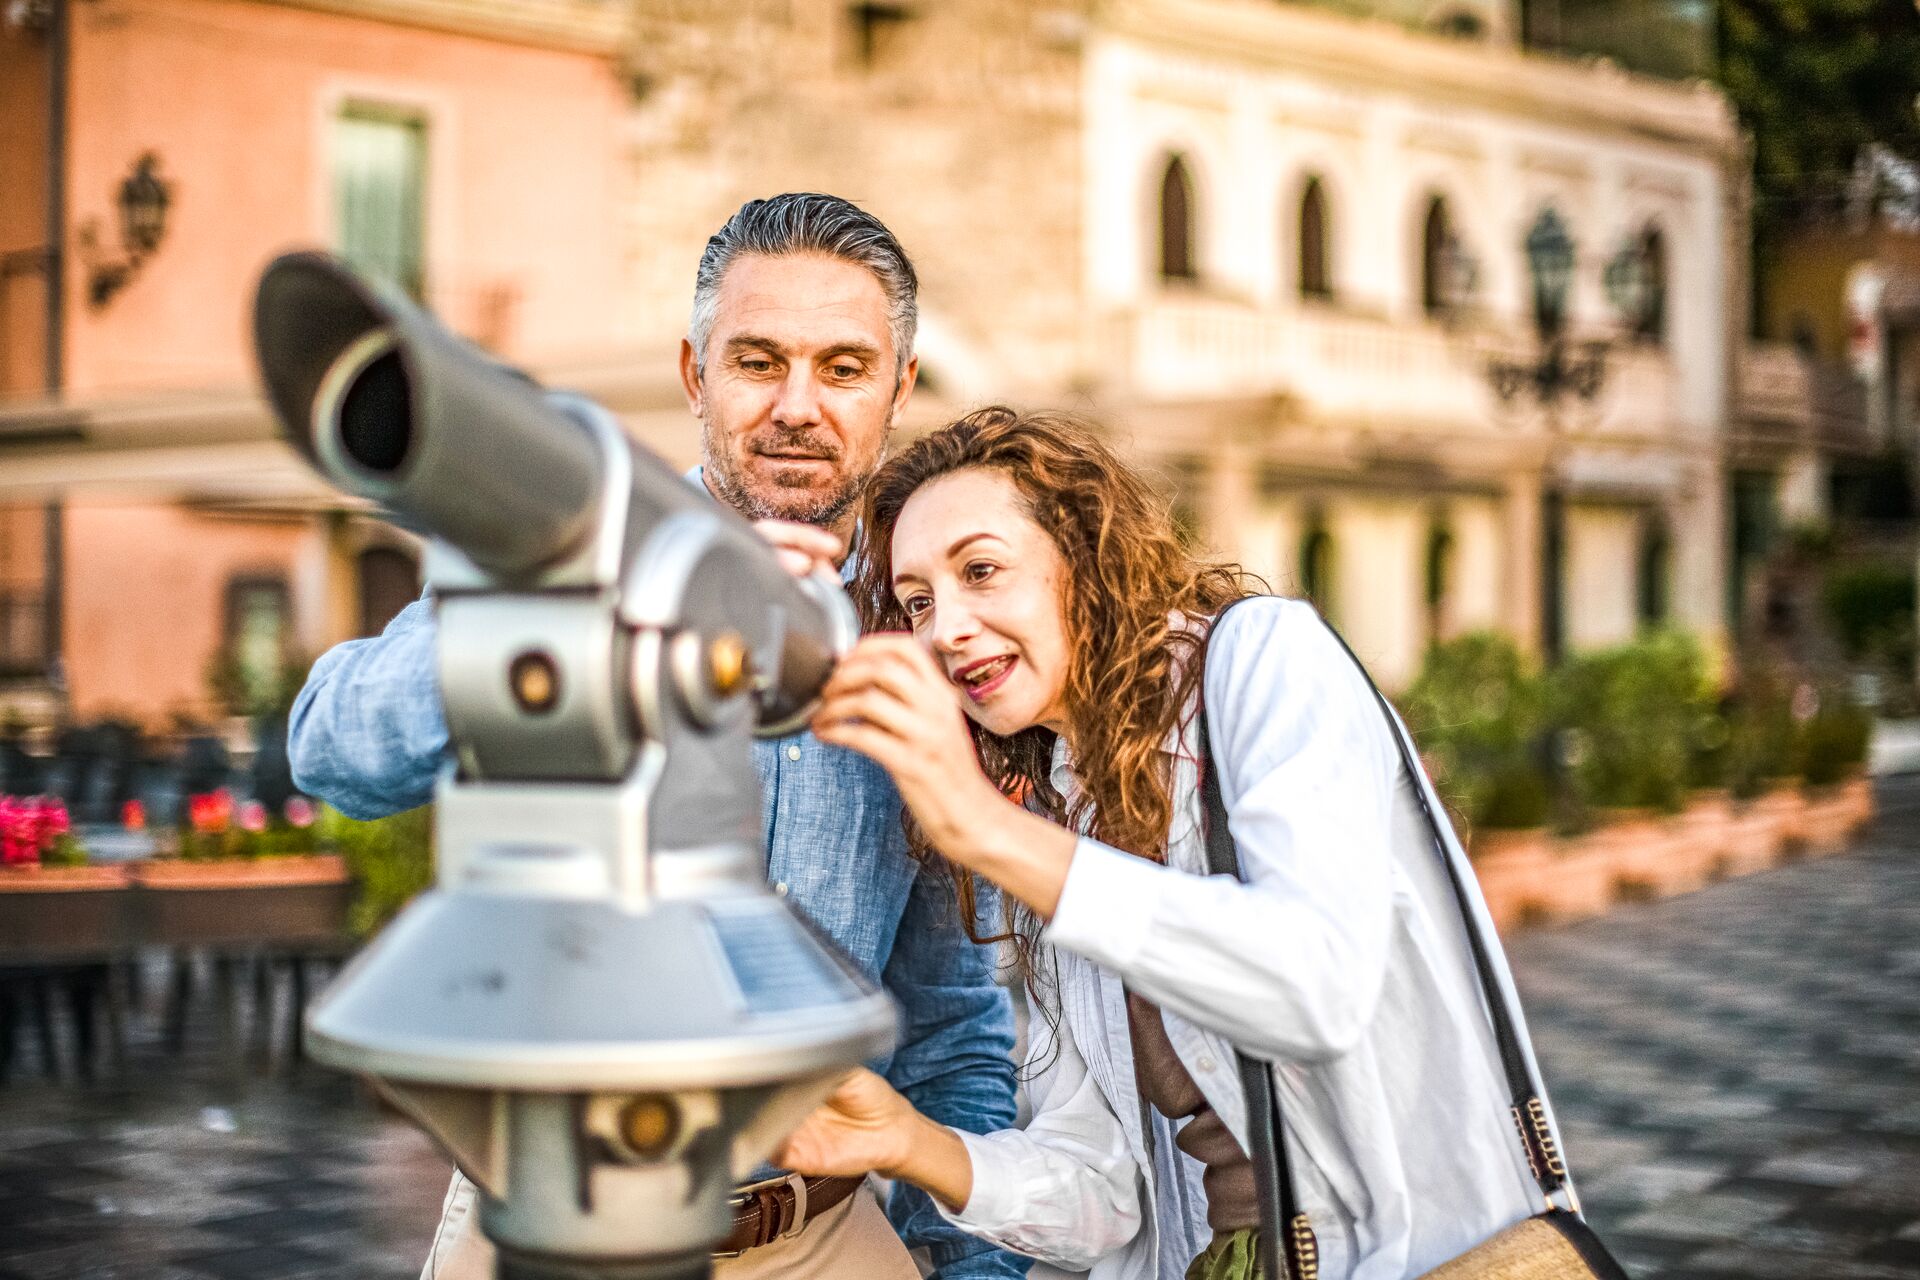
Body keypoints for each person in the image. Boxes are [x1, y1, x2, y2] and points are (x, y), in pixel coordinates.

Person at [287, 195, 1025, 1280]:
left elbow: (953, 1021)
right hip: (544, 1210)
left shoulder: (930, 635)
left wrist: (972, 1269)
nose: (795, 405)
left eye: (844, 367)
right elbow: (328, 745)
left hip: (817, 1228)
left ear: (900, 387)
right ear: (696, 374)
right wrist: (572, 615)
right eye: (758, 359)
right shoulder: (574, 557)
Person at [772, 407, 1560, 1280]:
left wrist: (983, 827)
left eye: (982, 571)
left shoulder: (1266, 658)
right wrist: (905, 1139)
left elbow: (1316, 986)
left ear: (1084, 557)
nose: (944, 630)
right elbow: (1107, 1194)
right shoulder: (1063, 814)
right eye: (917, 601)